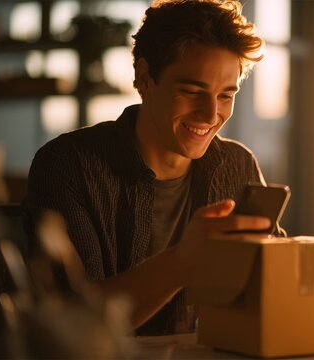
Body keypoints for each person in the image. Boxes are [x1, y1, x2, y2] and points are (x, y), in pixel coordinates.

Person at [23, 0, 272, 336]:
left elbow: (268, 292)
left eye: (226, 95)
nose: (211, 114)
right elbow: (72, 321)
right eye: (191, 91)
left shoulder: (237, 166)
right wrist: (182, 263)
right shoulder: (68, 166)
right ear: (144, 78)